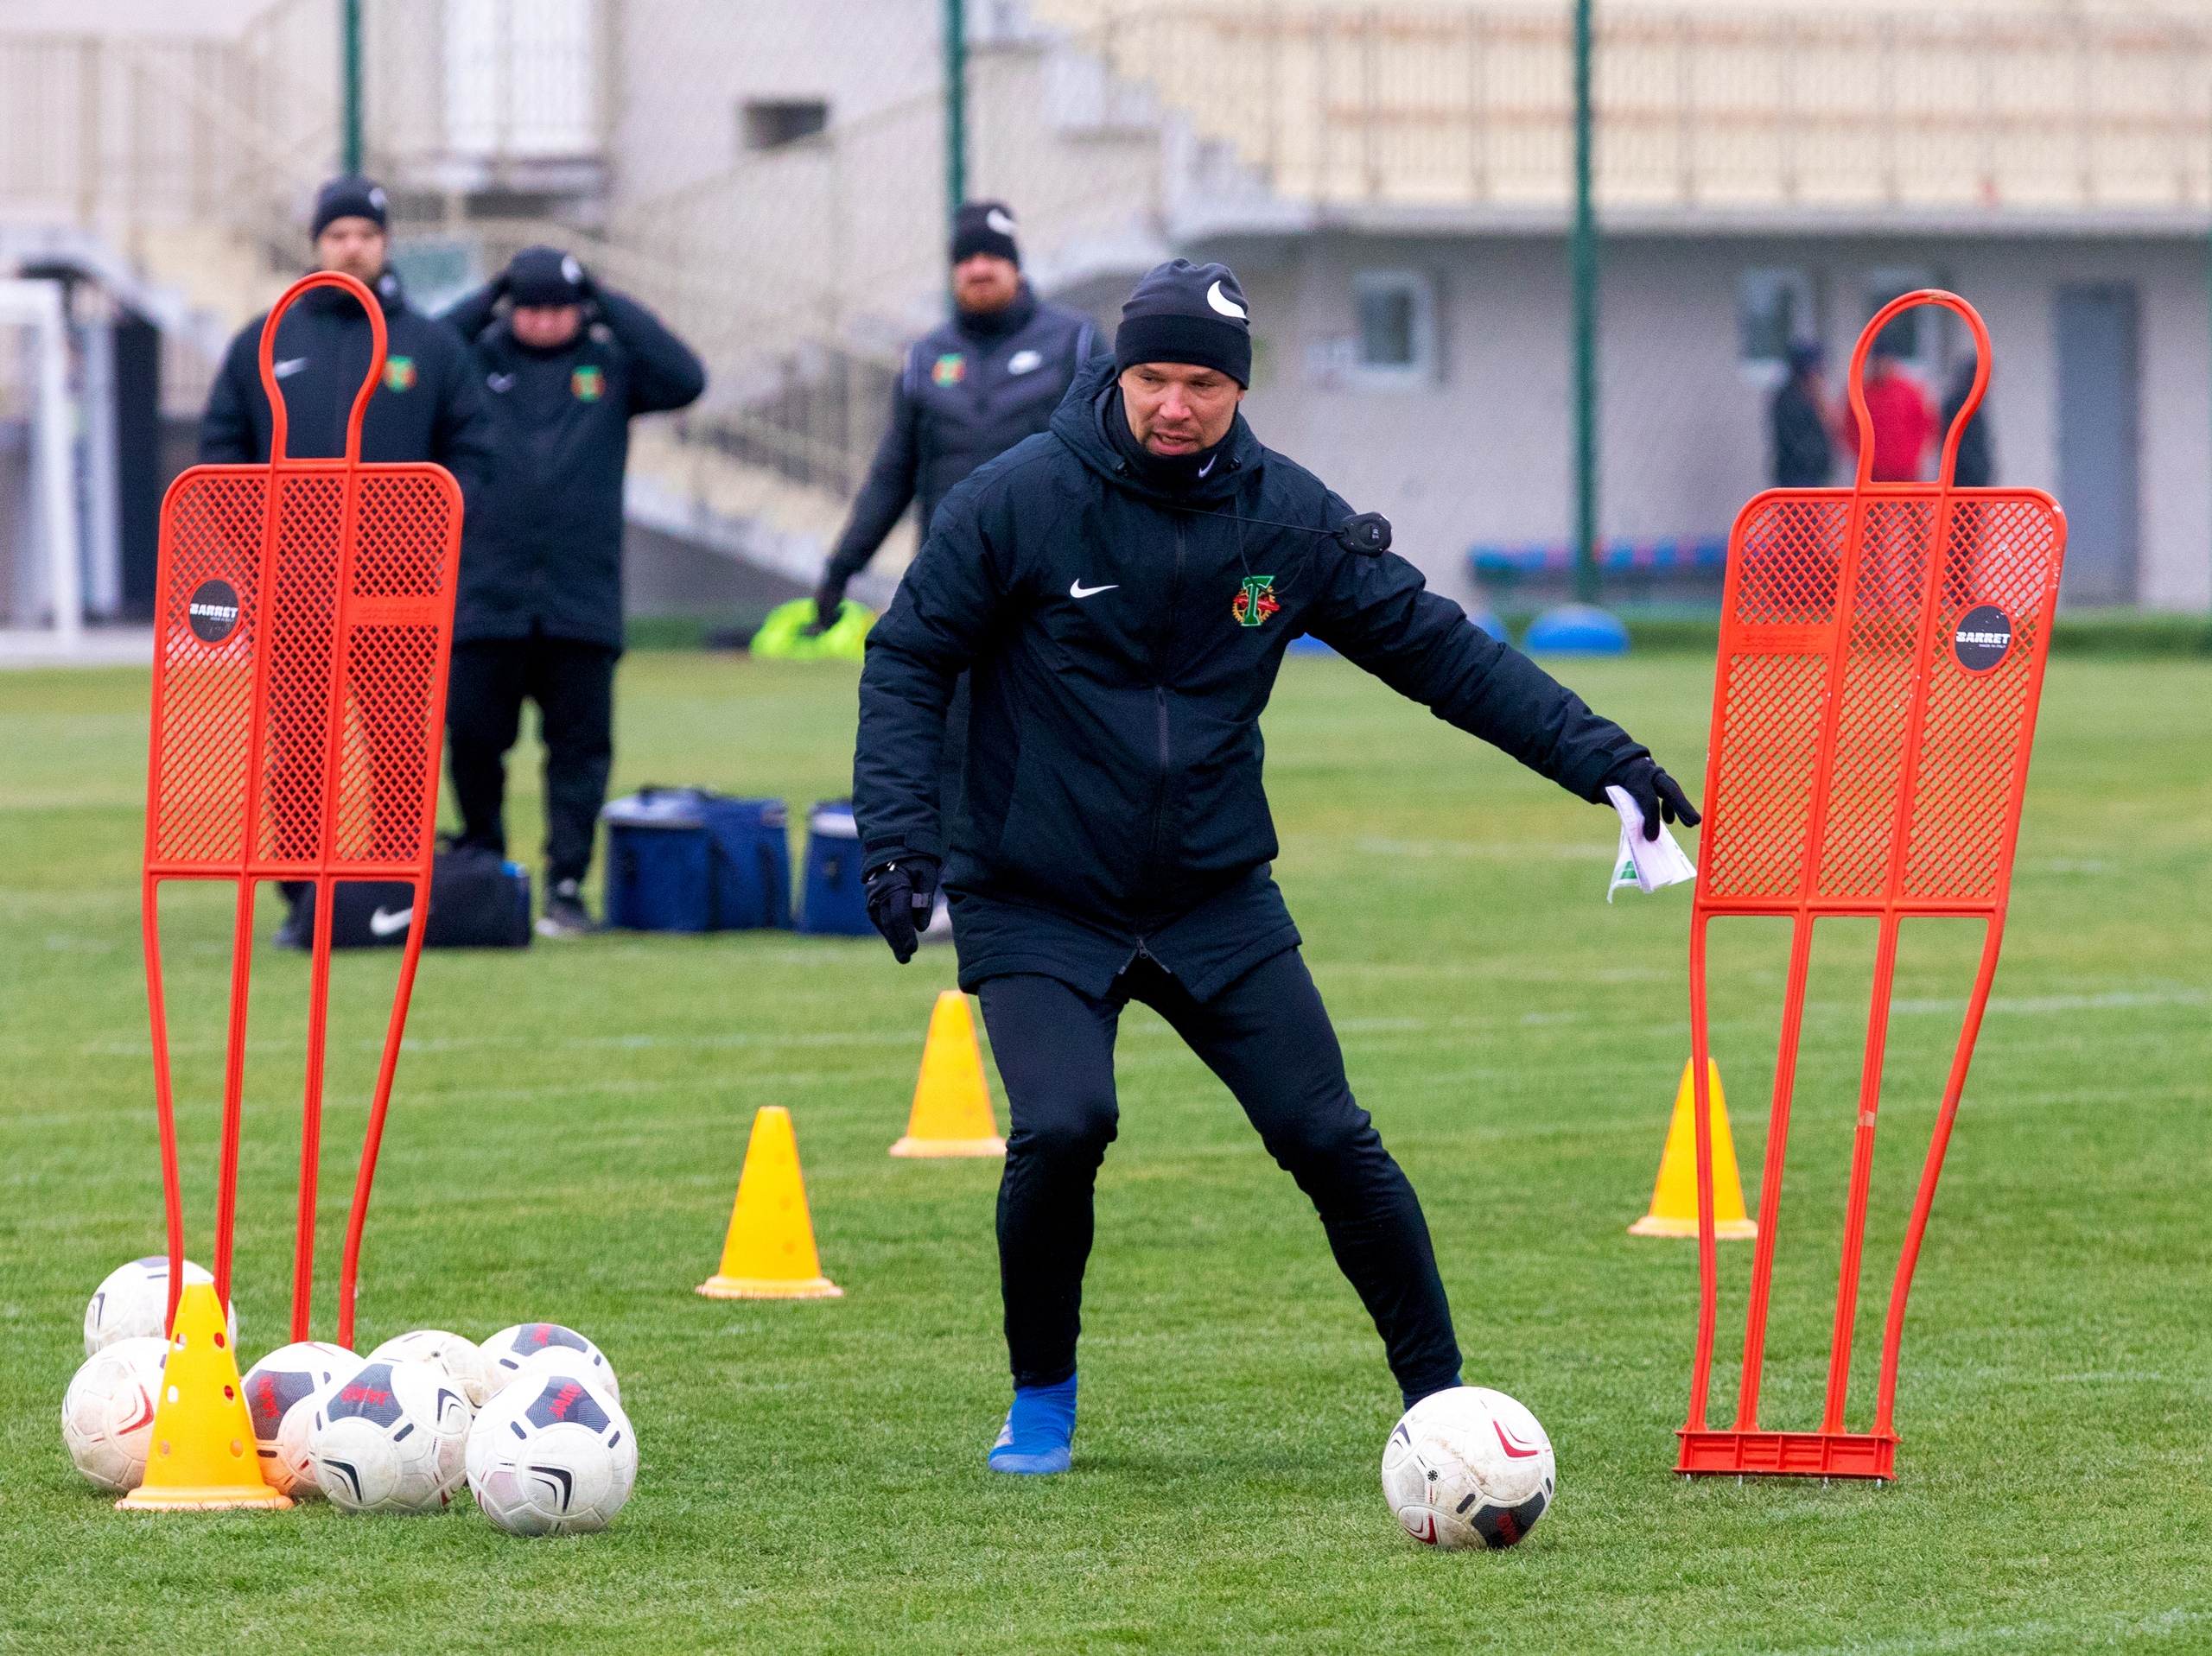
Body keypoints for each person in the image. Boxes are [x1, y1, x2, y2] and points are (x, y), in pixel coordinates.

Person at [852, 258, 1701, 1476]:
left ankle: (1445, 1407)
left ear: (1238, 390)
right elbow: (909, 655)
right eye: (1153, 378)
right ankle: (1041, 1398)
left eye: (1202, 382)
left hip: (1211, 892)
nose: (1174, 405)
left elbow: (1440, 652)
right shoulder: (1020, 497)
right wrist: (899, 838)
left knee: (1326, 1132)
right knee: (1064, 1124)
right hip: (1039, 892)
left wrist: (1600, 760)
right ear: (1121, 374)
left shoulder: (1288, 520)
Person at [200, 175, 496, 948]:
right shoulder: (269, 340)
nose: (352, 247)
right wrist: (263, 552)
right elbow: (222, 454)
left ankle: (398, 896)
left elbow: (474, 457)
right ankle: (305, 903)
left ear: (386, 243)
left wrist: (423, 534)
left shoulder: (431, 346)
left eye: (366, 233)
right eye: (338, 235)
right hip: (293, 597)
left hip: (399, 599)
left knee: (401, 750)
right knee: (297, 752)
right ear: (316, 245)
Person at [437, 247, 706, 937]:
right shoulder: (473, 361)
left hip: (579, 599)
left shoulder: (610, 365)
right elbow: (427, 352)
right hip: (484, 597)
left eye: (560, 307)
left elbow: (686, 377)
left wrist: (604, 297)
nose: (545, 321)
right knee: (471, 739)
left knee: (580, 752)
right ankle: (485, 859)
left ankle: (564, 883)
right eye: (530, 306)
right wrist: (492, 287)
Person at [813, 201, 1103, 626]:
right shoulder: (924, 358)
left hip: (1051, 579)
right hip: (952, 578)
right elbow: (893, 475)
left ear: (1017, 266)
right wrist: (841, 570)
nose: (979, 269)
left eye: (993, 256)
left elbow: (1116, 458)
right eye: (966, 258)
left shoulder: (1075, 344)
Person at [1841, 344, 1936, 483]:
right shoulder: (1862, 393)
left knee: (1906, 504)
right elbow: (1851, 428)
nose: (1880, 366)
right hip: (1873, 474)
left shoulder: (1908, 392)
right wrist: (1864, 457)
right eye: (1877, 362)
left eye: (1884, 361)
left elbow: (1926, 425)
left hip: (1905, 472)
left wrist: (1913, 456)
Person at [1769, 342, 1833, 488]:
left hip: (1815, 477)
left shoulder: (1813, 397)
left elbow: (1829, 431)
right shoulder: (1788, 400)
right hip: (1796, 478)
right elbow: (1798, 444)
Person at [1940, 355, 1994, 487]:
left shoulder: (1974, 404)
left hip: (1971, 477)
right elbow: (1964, 445)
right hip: (1964, 480)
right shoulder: (1964, 404)